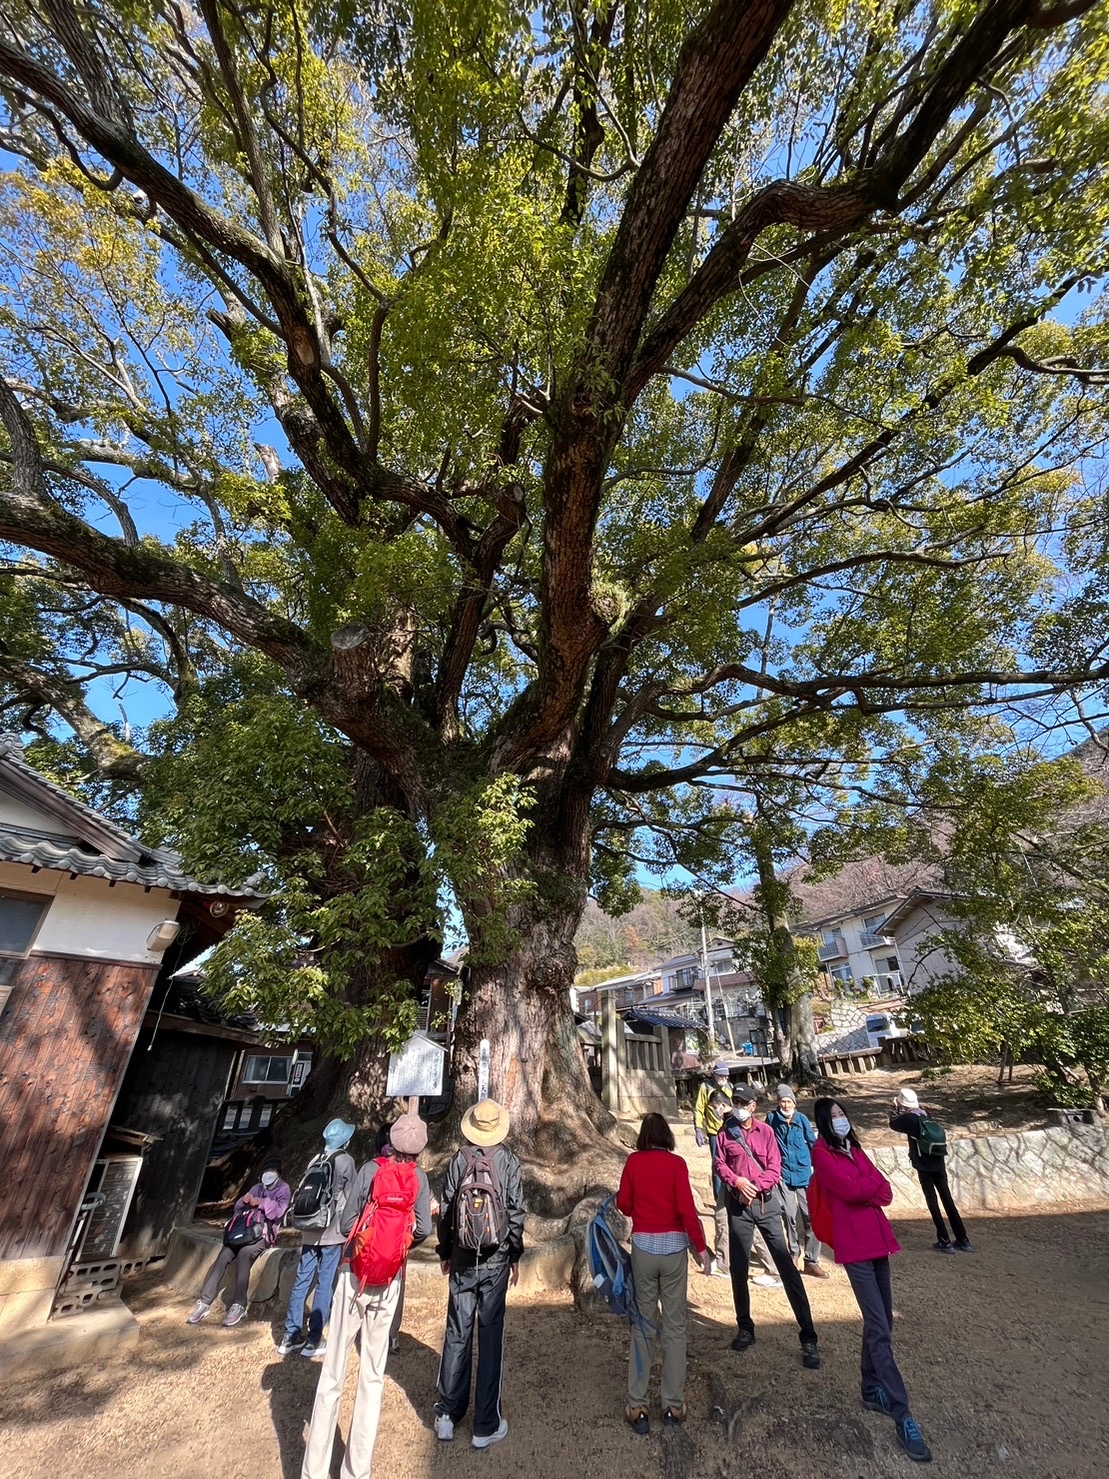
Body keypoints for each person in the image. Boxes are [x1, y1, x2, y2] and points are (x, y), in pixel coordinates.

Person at [300, 1113, 432, 1479]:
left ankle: (313, 1471)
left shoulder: (370, 1170)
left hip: (352, 1275)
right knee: (372, 1377)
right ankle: (357, 1472)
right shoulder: (419, 1179)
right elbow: (424, 1228)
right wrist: (398, 1247)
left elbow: (345, 1225)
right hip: (389, 1282)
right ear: (420, 1148)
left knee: (332, 1375)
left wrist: (365, 1241)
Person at [811, 1097, 932, 1463]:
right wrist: (864, 1187)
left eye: (842, 1114)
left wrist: (863, 1185)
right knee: (880, 1326)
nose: (840, 1120)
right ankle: (902, 1412)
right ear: (823, 1122)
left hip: (878, 1240)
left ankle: (869, 1387)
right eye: (833, 1116)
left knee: (881, 1321)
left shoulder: (855, 1149)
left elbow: (886, 1190)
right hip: (854, 1247)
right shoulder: (821, 1153)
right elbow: (849, 1190)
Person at [434, 1098, 526, 1450]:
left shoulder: (459, 1159)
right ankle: (485, 1422)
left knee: (457, 1331)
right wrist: (515, 1254)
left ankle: (447, 1413)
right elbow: (516, 1213)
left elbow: (445, 1210)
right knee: (490, 1334)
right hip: (496, 1259)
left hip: (460, 1258)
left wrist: (445, 1251)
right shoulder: (508, 1161)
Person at [616, 1112, 711, 1435]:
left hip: (643, 1247)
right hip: (673, 1250)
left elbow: (624, 1204)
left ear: (643, 1136)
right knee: (674, 1326)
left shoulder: (633, 1163)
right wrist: (700, 1248)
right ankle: (672, 1404)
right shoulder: (677, 1165)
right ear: (667, 1136)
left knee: (643, 1325)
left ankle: (637, 1404)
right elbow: (687, 1208)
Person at [713, 1085, 820, 1369]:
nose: (737, 1105)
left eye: (742, 1102)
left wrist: (754, 1186)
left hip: (766, 1203)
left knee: (785, 1264)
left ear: (753, 1106)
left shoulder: (766, 1132)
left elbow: (775, 1167)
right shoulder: (725, 1133)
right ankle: (745, 1326)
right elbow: (719, 1164)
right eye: (734, 1101)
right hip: (739, 1205)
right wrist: (737, 1182)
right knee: (739, 1268)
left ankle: (808, 1335)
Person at [277, 1118, 357, 1358]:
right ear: (346, 1140)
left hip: (308, 1229)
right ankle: (313, 1339)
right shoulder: (346, 1160)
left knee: (302, 1281)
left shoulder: (315, 1159)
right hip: (332, 1231)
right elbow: (351, 1195)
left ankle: (290, 1335)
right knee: (324, 1283)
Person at [187, 1154, 291, 1328]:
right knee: (223, 1256)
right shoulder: (256, 1187)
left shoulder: (284, 1189)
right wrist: (244, 1200)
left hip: (262, 1235)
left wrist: (263, 1202)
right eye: (266, 1171)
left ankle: (239, 1305)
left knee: (244, 1254)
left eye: (272, 1171)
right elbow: (237, 1209)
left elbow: (279, 1212)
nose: (269, 1174)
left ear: (278, 1173)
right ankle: (204, 1302)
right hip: (242, 1232)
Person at [888, 1088, 971, 1255]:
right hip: (938, 1162)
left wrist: (894, 1108)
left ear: (902, 1103)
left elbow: (893, 1124)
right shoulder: (925, 1114)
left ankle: (944, 1240)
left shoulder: (909, 1119)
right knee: (947, 1199)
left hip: (924, 1165)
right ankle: (963, 1239)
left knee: (932, 1202)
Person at [767, 1083, 828, 1279]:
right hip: (784, 1174)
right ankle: (793, 1254)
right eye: (783, 1101)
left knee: (811, 1216)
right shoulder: (771, 1119)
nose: (786, 1105)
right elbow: (767, 1143)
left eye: (789, 1101)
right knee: (789, 1215)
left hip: (804, 1174)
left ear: (794, 1102)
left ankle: (812, 1260)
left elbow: (813, 1144)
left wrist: (819, 1169)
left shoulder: (801, 1119)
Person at [694, 1065, 733, 1276]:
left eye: (726, 1076)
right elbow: (699, 1107)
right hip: (713, 1132)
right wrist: (698, 1128)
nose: (723, 1079)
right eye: (720, 1075)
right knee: (717, 1166)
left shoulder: (730, 1087)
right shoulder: (705, 1088)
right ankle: (719, 1197)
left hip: (727, 1129)